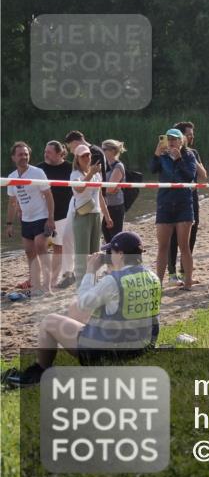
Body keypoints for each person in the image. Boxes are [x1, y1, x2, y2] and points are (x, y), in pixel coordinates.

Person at [2, 231, 160, 388]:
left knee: (49, 321)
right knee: (79, 314)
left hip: (111, 353)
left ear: (120, 254)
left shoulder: (113, 281)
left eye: (110, 252)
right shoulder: (153, 277)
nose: (109, 256)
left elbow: (82, 303)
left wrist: (90, 271)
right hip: (142, 346)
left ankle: (39, 372)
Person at [160, 122, 208, 283]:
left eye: (192, 134)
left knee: (189, 237)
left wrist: (190, 159)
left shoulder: (192, 153)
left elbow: (203, 175)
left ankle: (185, 273)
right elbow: (157, 169)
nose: (191, 137)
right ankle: (172, 272)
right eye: (189, 134)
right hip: (171, 198)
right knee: (171, 239)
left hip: (190, 197)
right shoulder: (164, 154)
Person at [6, 142, 56, 295]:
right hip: (26, 220)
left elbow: (48, 195)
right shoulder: (11, 177)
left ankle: (48, 286)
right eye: (20, 154)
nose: (24, 157)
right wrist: (9, 223)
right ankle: (35, 285)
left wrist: (51, 218)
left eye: (26, 154)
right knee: (29, 251)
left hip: (41, 216)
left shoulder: (38, 172)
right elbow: (13, 202)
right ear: (14, 157)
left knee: (41, 246)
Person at [151, 128, 197, 289]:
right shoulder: (162, 156)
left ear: (181, 141)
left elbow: (190, 176)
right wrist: (157, 153)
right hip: (165, 203)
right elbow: (152, 169)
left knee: (183, 245)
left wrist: (178, 160)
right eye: (168, 138)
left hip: (183, 203)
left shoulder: (189, 155)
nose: (171, 141)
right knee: (162, 246)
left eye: (174, 139)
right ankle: (158, 283)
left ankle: (188, 281)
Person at [70, 143, 113, 287]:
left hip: (95, 214)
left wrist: (107, 215)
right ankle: (81, 285)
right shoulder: (75, 174)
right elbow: (79, 189)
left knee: (95, 252)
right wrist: (90, 174)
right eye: (83, 156)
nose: (87, 158)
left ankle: (93, 283)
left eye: (88, 155)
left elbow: (100, 196)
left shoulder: (97, 174)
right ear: (77, 158)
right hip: (82, 215)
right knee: (82, 253)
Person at [38, 141, 74, 289]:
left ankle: (57, 278)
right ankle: (42, 278)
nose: (46, 154)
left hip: (64, 214)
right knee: (40, 246)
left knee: (60, 247)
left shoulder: (70, 167)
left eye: (49, 152)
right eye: (45, 151)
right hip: (42, 214)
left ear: (60, 153)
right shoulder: (39, 169)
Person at [100, 140, 127, 242]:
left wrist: (98, 190)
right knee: (106, 234)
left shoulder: (118, 166)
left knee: (114, 237)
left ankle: (116, 257)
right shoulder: (105, 166)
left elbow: (110, 189)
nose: (101, 152)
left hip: (115, 206)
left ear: (112, 151)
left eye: (104, 150)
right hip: (106, 206)